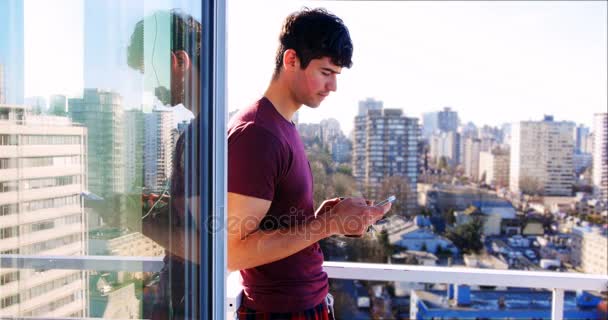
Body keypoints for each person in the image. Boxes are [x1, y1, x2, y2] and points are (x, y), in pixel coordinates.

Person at [227, 8, 392, 319]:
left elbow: (271, 224)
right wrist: (326, 224)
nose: (333, 87)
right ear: (291, 60)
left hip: (305, 302)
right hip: (280, 312)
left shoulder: (283, 126)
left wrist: (325, 219)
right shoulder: (257, 134)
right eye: (326, 72)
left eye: (336, 76)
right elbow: (231, 252)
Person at [128, 9, 202, 319]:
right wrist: (150, 206)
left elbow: (207, 243)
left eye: (149, 72)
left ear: (179, 62)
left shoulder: (208, 138)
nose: (147, 87)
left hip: (195, 302)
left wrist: (130, 217)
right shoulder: (198, 134)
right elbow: (196, 217)